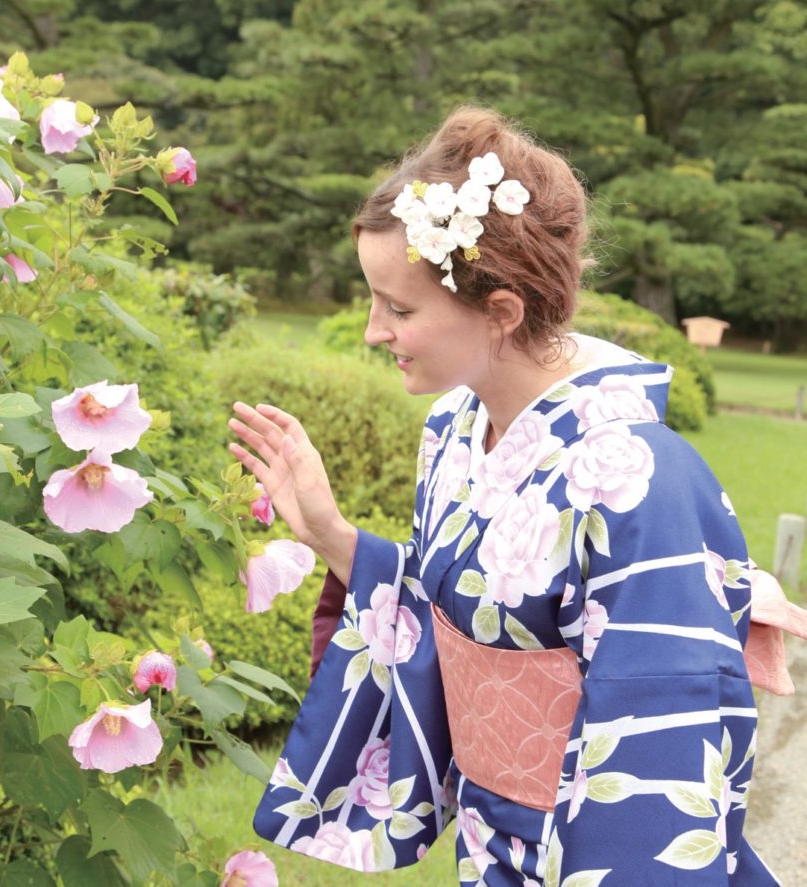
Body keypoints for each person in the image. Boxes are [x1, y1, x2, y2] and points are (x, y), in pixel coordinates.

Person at [228, 106, 794, 884]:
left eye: (397, 307)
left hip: (582, 855)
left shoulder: (639, 479)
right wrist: (332, 534)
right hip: (489, 846)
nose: (371, 331)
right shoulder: (452, 429)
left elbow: (661, 745)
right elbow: (449, 615)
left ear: (500, 312)